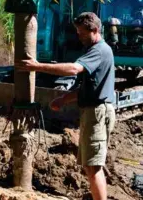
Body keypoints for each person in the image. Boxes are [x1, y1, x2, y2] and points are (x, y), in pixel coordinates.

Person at [15, 12, 115, 200]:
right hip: (93, 111)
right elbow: (89, 89)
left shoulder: (99, 50)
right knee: (89, 165)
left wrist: (38, 66)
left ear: (94, 30)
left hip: (97, 113)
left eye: (81, 32)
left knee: (93, 167)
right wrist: (63, 99)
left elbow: (73, 69)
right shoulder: (95, 50)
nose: (79, 36)